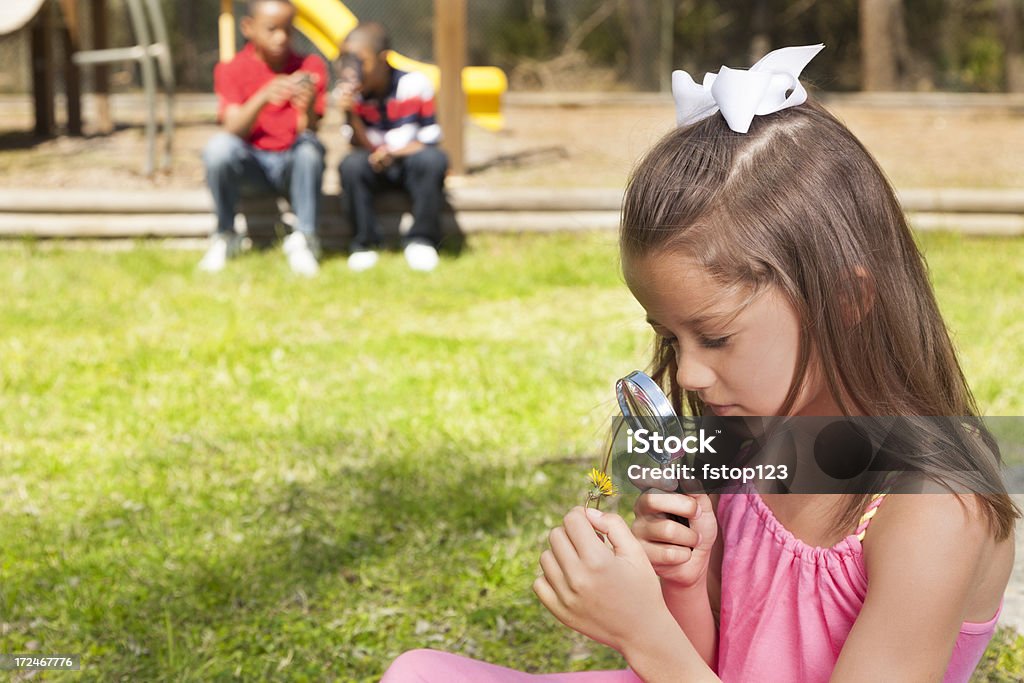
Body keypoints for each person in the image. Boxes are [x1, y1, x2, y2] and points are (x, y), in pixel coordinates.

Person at [379, 45, 1018, 682]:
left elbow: (672, 663)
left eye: (715, 337)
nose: (687, 376)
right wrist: (683, 576)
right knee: (417, 674)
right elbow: (714, 663)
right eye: (669, 337)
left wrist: (644, 633)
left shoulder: (933, 505)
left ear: (846, 299)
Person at [199, 0, 326, 277]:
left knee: (310, 148)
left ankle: (305, 239)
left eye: (288, 30)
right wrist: (263, 96)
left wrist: (307, 106)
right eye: (271, 29)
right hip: (251, 167)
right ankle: (225, 234)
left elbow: (309, 132)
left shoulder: (310, 66)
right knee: (218, 149)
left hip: (291, 165)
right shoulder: (231, 69)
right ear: (248, 27)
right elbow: (232, 129)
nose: (281, 38)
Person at [335, 22, 449, 272]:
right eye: (347, 60)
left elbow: (429, 140)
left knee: (433, 160)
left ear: (383, 59)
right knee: (351, 165)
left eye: (360, 61)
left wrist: (392, 153)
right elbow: (357, 144)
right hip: (374, 162)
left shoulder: (415, 84)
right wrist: (350, 114)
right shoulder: (352, 92)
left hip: (409, 162)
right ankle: (365, 243)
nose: (353, 69)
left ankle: (422, 240)